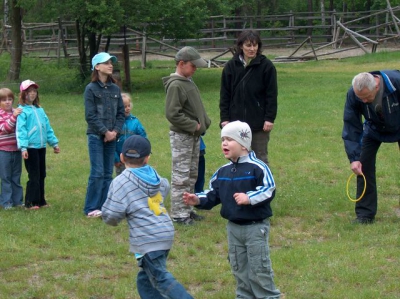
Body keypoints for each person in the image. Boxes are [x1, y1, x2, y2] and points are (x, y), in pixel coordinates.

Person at [183, 121, 281, 298]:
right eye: (222, 140)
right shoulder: (223, 172)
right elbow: (213, 194)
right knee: (239, 268)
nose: (224, 144)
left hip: (254, 229)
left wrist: (249, 198)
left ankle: (268, 296)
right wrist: (197, 200)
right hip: (233, 229)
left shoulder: (257, 168)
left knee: (259, 269)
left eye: (229, 139)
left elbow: (269, 189)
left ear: (243, 144)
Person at [102, 135, 193, 299]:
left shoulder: (121, 181)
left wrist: (110, 218)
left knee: (160, 278)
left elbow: (113, 213)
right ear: (147, 158)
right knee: (145, 280)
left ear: (122, 157)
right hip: (164, 232)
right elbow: (165, 187)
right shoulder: (154, 175)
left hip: (148, 239)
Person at [342, 70, 400, 224]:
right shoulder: (354, 94)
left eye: (367, 97)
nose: (365, 101)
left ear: (376, 86)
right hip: (373, 129)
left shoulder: (396, 83)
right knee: (363, 166)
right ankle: (365, 215)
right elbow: (351, 124)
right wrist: (354, 158)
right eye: (361, 98)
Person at [162, 46, 211, 225]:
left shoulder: (187, 81)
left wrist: (205, 121)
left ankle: (188, 209)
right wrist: (194, 125)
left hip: (193, 136)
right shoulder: (175, 84)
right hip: (182, 136)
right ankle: (178, 214)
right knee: (181, 176)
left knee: (192, 174)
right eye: (193, 66)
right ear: (181, 64)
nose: (195, 69)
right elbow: (172, 113)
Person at [220, 30, 278, 165]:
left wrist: (269, 118)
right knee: (235, 158)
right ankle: (238, 185)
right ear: (241, 46)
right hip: (236, 122)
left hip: (259, 123)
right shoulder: (230, 66)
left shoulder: (267, 66)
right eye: (248, 45)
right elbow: (225, 95)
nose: (252, 49)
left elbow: (271, 94)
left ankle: (264, 185)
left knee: (260, 158)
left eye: (255, 45)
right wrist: (225, 118)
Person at [84, 52, 125, 218]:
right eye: (106, 62)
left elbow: (121, 113)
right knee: (97, 172)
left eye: (111, 62)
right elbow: (90, 115)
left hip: (112, 136)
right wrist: (105, 131)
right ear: (97, 67)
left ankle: (104, 206)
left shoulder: (115, 89)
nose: (110, 65)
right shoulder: (90, 89)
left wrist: (114, 131)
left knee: (108, 172)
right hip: (96, 136)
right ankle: (91, 207)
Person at [16, 80, 60, 209]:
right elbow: (21, 130)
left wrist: (54, 143)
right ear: (23, 94)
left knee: (42, 174)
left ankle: (41, 201)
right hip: (30, 148)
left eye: (34, 91)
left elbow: (47, 127)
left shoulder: (40, 110)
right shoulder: (22, 111)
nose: (32, 94)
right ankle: (30, 202)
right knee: (34, 175)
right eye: (29, 92)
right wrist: (23, 147)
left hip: (41, 147)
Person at [0, 88, 23, 209]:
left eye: (10, 99)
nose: (8, 102)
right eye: (4, 100)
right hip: (3, 151)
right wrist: (14, 117)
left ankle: (18, 201)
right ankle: (6, 202)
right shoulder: (1, 114)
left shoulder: (16, 112)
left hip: (16, 150)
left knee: (16, 176)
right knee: (6, 177)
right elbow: (5, 128)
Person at [114, 92, 147, 176]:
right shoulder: (114, 123)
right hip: (120, 160)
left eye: (129, 106)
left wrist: (143, 153)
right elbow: (112, 143)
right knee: (121, 179)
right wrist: (116, 159)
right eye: (124, 107)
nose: (127, 108)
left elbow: (143, 138)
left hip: (134, 159)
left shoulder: (135, 122)